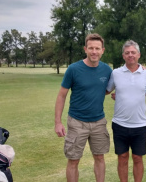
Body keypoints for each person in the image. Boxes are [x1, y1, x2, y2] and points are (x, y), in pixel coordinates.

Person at [54, 33, 112, 182]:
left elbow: (108, 89)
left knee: (99, 157)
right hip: (76, 122)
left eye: (97, 48)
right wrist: (58, 122)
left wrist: (140, 67)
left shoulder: (107, 70)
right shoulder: (74, 69)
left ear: (102, 50)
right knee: (73, 160)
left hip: (99, 122)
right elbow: (61, 95)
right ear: (85, 49)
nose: (94, 51)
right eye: (91, 48)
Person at [106, 40, 146, 182]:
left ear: (139, 55)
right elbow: (108, 90)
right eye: (127, 53)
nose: (130, 55)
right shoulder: (116, 73)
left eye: (133, 52)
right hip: (120, 124)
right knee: (122, 158)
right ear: (123, 56)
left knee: (137, 158)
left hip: (139, 124)